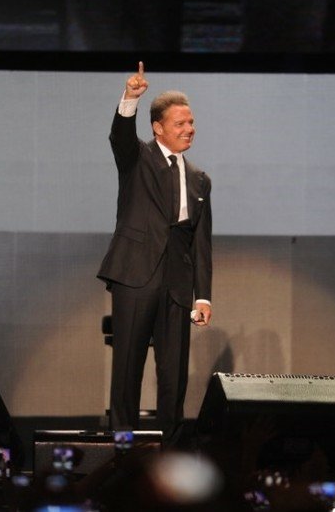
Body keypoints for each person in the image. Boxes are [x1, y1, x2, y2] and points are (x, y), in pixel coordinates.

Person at [97, 62, 213, 445]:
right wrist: (130, 98)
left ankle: (171, 449)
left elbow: (200, 242)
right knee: (127, 368)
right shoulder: (138, 158)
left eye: (191, 122)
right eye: (180, 123)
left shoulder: (199, 179)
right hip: (135, 276)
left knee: (174, 375)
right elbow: (120, 136)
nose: (189, 128)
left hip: (177, 286)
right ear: (158, 128)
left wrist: (203, 295)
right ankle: (123, 449)